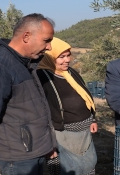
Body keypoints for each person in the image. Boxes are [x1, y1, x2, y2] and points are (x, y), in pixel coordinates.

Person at [0, 13, 57, 175]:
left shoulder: (23, 62)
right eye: (46, 40)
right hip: (17, 156)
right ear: (26, 36)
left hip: (31, 150)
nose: (49, 47)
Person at [37, 37, 98, 175]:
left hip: (84, 132)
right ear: (49, 57)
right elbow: (40, 111)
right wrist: (48, 141)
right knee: (65, 169)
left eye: (68, 55)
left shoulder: (71, 73)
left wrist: (93, 119)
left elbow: (85, 96)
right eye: (61, 57)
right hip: (62, 134)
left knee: (87, 166)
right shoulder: (43, 77)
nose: (67, 60)